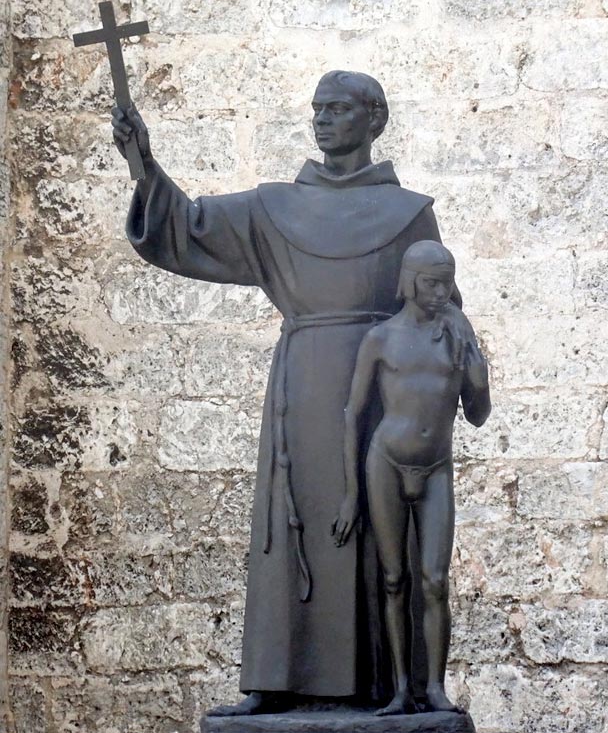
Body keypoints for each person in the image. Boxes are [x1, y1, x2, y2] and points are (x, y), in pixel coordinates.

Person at [111, 70, 475, 714]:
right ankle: (276, 681)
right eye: (317, 109)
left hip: (381, 395)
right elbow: (187, 225)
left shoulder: (409, 212)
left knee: (375, 535)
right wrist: (143, 162)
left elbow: (443, 308)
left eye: (338, 109)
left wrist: (455, 386)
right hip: (302, 385)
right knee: (294, 523)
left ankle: (388, 688)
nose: (323, 120)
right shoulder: (272, 206)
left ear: (375, 119)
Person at [334, 240, 491, 716]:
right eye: (431, 283)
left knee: (435, 579)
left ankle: (434, 686)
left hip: (436, 465)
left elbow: (478, 415)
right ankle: (401, 687)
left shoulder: (456, 332)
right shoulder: (381, 338)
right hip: (386, 460)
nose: (441, 292)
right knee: (394, 578)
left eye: (447, 282)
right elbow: (353, 415)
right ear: (409, 282)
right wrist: (349, 494)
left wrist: (476, 369)